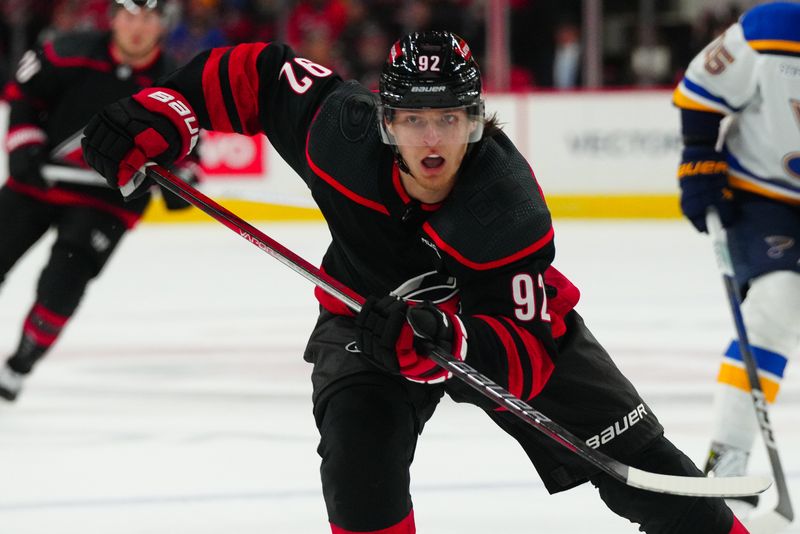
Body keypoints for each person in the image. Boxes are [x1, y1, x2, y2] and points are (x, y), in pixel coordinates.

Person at [81, 30, 749, 533]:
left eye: (451, 120)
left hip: (498, 330)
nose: (433, 142)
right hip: (365, 317)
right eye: (415, 120)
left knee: (649, 475)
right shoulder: (336, 131)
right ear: (386, 119)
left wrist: (449, 339)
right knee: (356, 469)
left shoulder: (507, 211)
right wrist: (166, 109)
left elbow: (525, 350)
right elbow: (253, 73)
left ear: (477, 119)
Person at [0, 0, 199, 402]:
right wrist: (24, 144)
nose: (137, 27)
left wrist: (182, 181)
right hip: (42, 181)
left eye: (148, 18)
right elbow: (25, 96)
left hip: (109, 201)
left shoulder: (176, 83)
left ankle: (19, 364)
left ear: (163, 25)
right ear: (113, 19)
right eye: (129, 16)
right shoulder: (67, 52)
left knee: (62, 284)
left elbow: (190, 149)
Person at [672, 0, 800, 513]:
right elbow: (702, 89)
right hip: (762, 192)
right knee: (776, 300)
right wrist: (698, 157)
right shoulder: (772, 30)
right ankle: (727, 460)